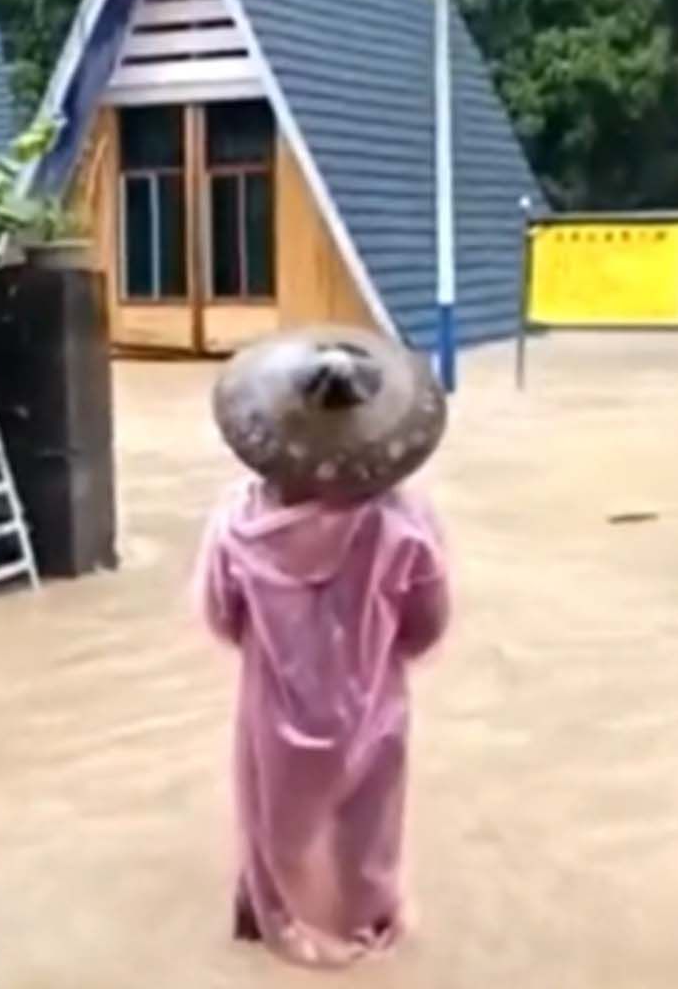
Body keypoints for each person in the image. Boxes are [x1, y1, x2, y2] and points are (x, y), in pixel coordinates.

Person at [195, 325, 451, 967]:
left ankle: (274, 914)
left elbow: (221, 615)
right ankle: (365, 921)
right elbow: (428, 624)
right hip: (372, 695)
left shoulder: (238, 522)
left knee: (274, 814)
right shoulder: (406, 523)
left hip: (275, 701)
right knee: (369, 820)